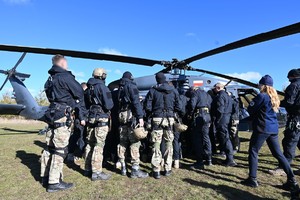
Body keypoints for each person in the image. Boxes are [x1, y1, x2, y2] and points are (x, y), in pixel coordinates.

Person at [241, 75, 299, 190]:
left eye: (259, 84)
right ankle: (292, 180)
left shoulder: (261, 96)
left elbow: (251, 110)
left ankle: (252, 179)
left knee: (253, 151)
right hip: (273, 128)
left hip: (262, 128)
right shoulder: (274, 97)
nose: (258, 86)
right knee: (278, 154)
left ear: (263, 85)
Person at [40, 54, 86, 192]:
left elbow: (49, 96)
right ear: (62, 63)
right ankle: (54, 182)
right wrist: (71, 103)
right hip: (62, 116)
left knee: (49, 147)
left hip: (52, 114)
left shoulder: (50, 79)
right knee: (60, 149)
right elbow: (79, 92)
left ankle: (45, 176)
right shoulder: (65, 77)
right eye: (66, 62)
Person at [144, 73, 182, 179]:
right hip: (169, 119)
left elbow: (147, 106)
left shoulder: (153, 90)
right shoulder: (173, 90)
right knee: (169, 143)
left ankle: (156, 170)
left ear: (157, 80)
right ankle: (167, 169)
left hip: (157, 118)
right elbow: (179, 106)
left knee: (156, 143)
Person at [83, 68, 114, 181]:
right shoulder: (102, 87)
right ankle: (96, 172)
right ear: (102, 76)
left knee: (89, 144)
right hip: (101, 118)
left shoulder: (88, 88)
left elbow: (85, 104)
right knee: (99, 145)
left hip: (91, 118)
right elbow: (109, 105)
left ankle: (87, 169)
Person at [117, 71, 148, 178]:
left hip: (122, 117)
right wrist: (140, 117)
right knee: (134, 143)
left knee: (122, 142)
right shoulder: (131, 86)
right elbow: (136, 102)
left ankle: (123, 168)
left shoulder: (120, 88)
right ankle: (135, 169)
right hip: (130, 116)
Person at [269, 69, 300, 176]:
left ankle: (283, 168)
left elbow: (289, 102)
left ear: (292, 76)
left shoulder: (294, 85)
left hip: (295, 118)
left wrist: (277, 103)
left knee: (289, 142)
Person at [188, 87, 213, 169]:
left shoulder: (195, 93)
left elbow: (192, 104)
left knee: (197, 138)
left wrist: (190, 114)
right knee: (206, 137)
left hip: (199, 115)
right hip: (207, 115)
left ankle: (199, 161)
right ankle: (209, 159)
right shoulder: (207, 94)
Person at [212, 83, 237, 166]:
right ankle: (228, 158)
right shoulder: (229, 97)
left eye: (215, 88)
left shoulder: (220, 96)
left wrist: (217, 119)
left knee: (225, 138)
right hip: (228, 118)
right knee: (226, 137)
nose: (214, 90)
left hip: (222, 119)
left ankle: (230, 159)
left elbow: (220, 109)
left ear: (218, 88)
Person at [67, 82, 88, 162]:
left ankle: (73, 153)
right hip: (80, 119)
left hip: (80, 118)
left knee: (78, 136)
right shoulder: (80, 97)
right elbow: (79, 108)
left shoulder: (78, 97)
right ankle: (77, 153)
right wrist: (82, 118)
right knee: (80, 136)